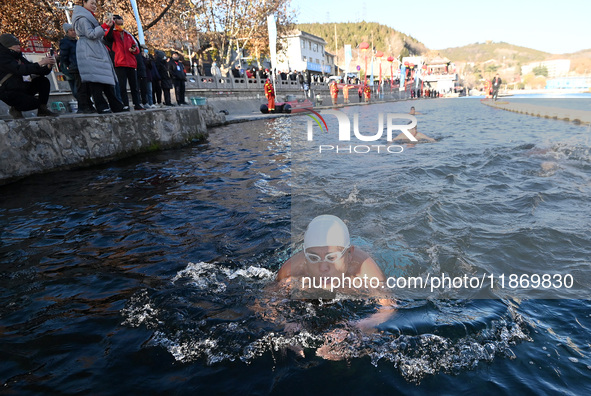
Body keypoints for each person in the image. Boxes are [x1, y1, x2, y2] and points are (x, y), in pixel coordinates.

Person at [72, 0, 124, 114]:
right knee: (96, 81)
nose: (94, 6)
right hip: (89, 50)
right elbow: (91, 34)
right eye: (92, 3)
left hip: (94, 49)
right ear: (84, 3)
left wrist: (106, 27)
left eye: (95, 4)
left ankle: (115, 104)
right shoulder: (82, 18)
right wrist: (104, 26)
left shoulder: (87, 17)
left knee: (104, 79)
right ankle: (102, 105)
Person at [0, 33, 58, 118]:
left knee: (43, 81)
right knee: (34, 103)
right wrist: (40, 63)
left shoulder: (18, 57)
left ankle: (42, 110)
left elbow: (32, 68)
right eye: (16, 44)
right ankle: (16, 108)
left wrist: (48, 66)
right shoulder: (2, 58)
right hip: (7, 91)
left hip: (21, 87)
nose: (19, 46)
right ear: (8, 46)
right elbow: (19, 69)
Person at [104, 14, 143, 111]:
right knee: (122, 86)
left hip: (131, 63)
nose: (121, 26)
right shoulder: (112, 34)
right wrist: (111, 25)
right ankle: (125, 104)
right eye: (118, 24)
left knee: (134, 86)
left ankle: (137, 103)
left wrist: (133, 50)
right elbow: (107, 38)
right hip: (119, 63)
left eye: (122, 24)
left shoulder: (128, 35)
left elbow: (137, 48)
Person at [59, 23, 95, 113]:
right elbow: (64, 56)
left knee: (86, 88)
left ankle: (87, 105)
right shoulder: (65, 42)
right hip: (75, 67)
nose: (74, 32)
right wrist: (68, 65)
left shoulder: (77, 41)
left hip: (81, 66)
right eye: (71, 30)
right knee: (80, 89)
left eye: (74, 30)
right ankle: (83, 107)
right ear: (67, 32)